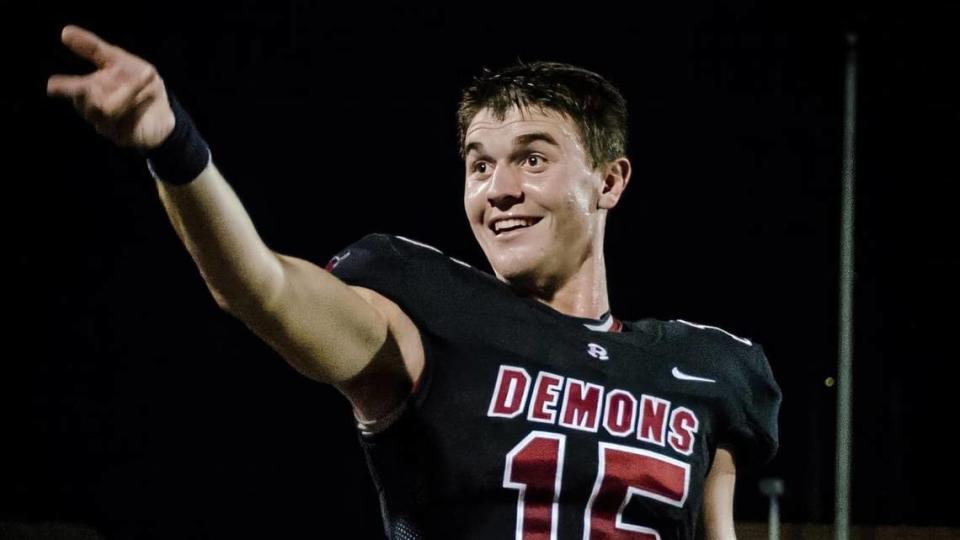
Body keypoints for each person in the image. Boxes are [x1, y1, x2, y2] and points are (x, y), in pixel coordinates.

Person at [48, 24, 781, 540]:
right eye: (479, 163)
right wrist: (174, 146)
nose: (499, 188)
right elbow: (260, 287)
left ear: (610, 181)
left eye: (532, 158)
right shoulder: (426, 315)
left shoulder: (708, 370)